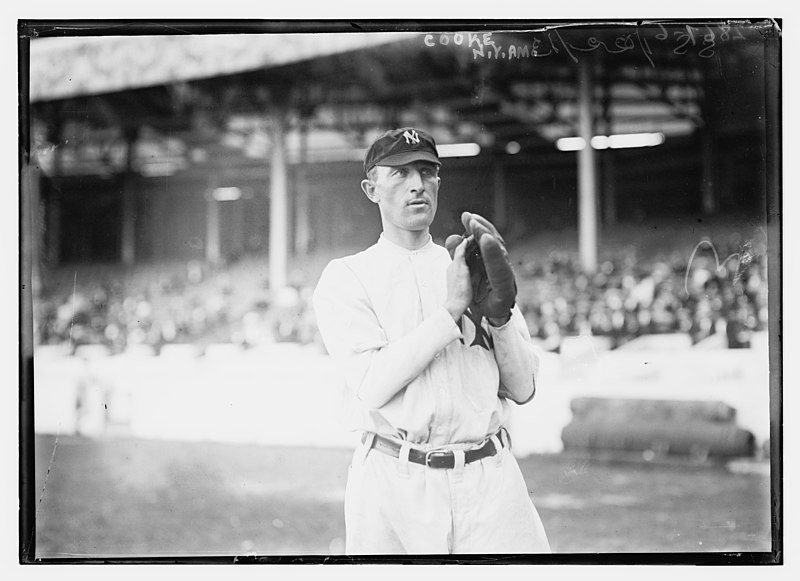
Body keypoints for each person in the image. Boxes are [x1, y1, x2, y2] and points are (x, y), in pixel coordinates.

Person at [313, 127, 550, 555]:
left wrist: (498, 318)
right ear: (371, 189)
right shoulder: (347, 276)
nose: (417, 184)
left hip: (490, 479)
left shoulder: (467, 261)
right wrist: (450, 311)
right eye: (400, 174)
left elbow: (524, 388)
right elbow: (372, 385)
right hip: (394, 480)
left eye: (427, 170)